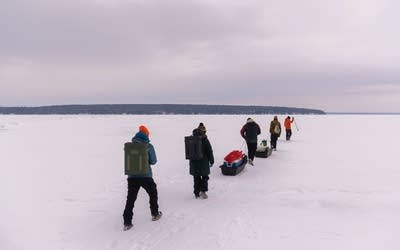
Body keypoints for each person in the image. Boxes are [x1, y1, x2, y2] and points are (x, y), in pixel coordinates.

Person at [123, 125, 162, 231]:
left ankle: (127, 222)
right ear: (146, 134)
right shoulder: (148, 146)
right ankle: (155, 213)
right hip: (146, 176)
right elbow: (153, 161)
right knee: (152, 193)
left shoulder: (130, 145)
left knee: (130, 199)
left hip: (132, 177)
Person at [189, 123, 214, 199]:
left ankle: (196, 192)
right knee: (204, 177)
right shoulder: (205, 140)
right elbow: (209, 151)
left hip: (194, 163)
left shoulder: (191, 139)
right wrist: (212, 160)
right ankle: (203, 191)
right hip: (203, 163)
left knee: (196, 178)